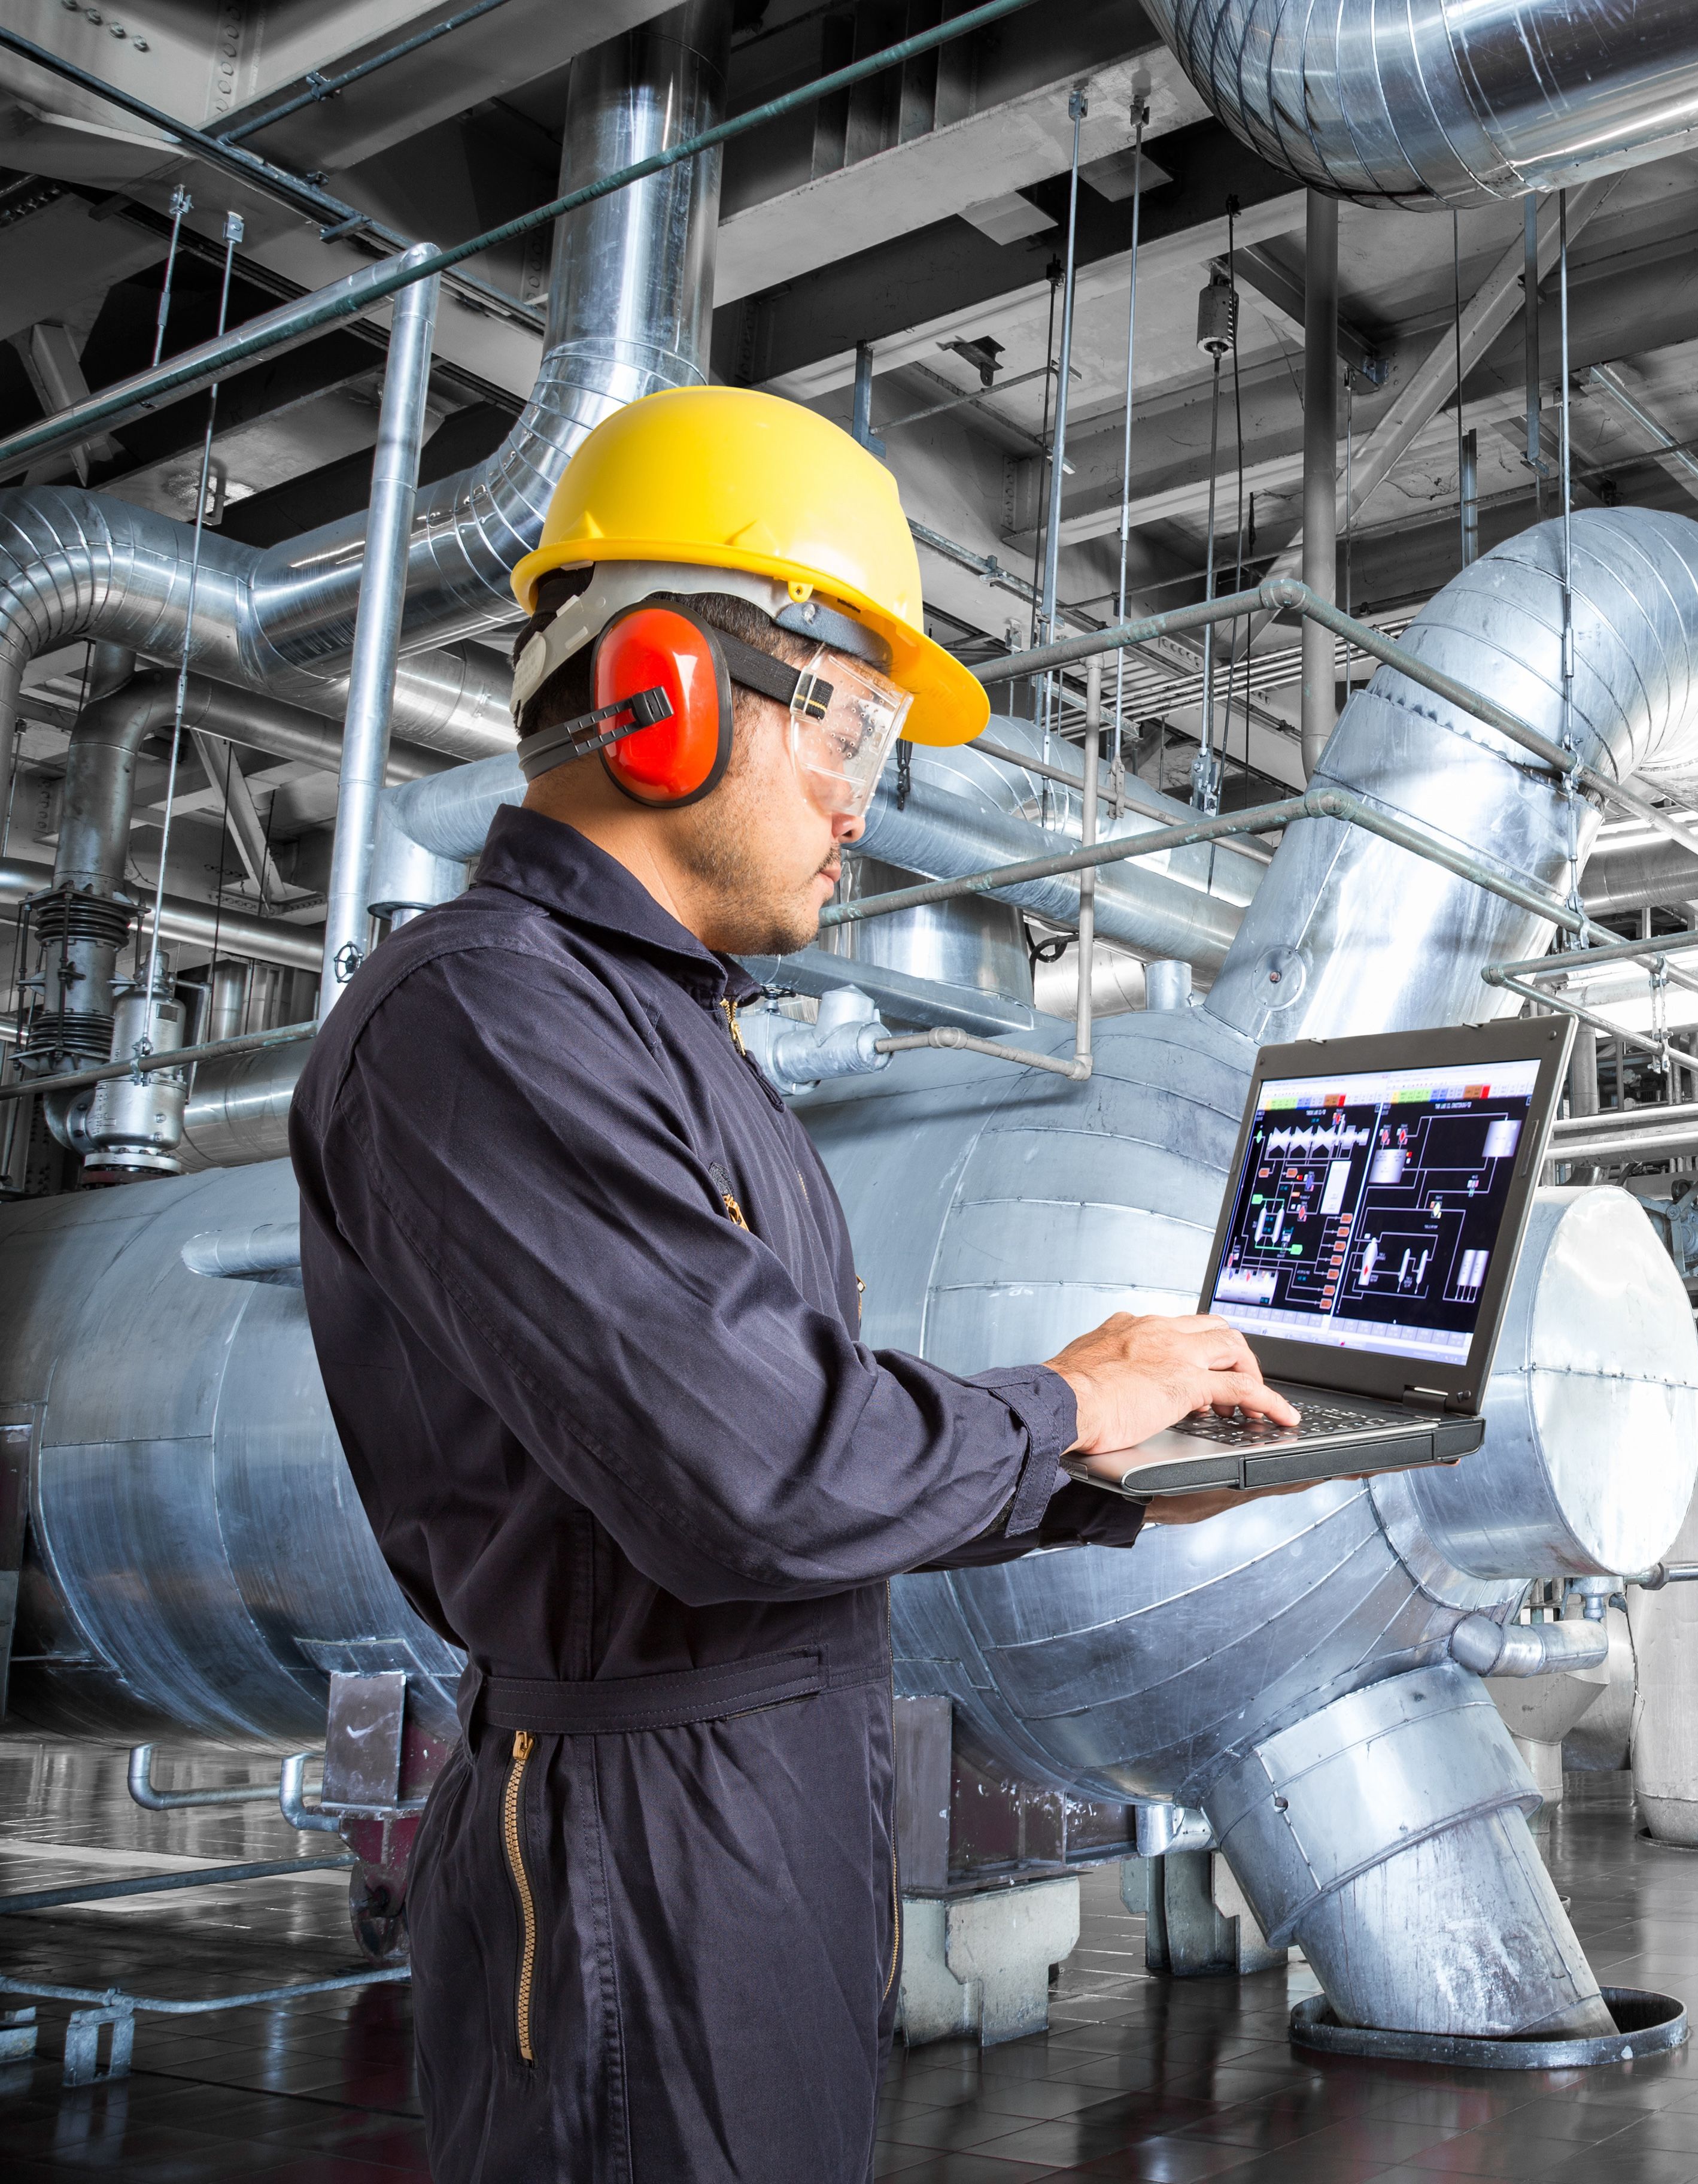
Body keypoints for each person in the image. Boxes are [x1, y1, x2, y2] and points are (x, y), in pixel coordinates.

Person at [290, 386, 1314, 2183]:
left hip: (753, 1821)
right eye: (846, 728)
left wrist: (1088, 1464)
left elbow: (775, 1433)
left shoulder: (666, 1037)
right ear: (661, 697)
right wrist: (1064, 1407)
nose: (867, 805)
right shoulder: (486, 1018)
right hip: (636, 1864)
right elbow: (751, 1475)